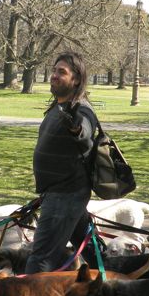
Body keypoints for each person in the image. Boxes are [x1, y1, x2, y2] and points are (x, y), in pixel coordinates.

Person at [24, 51, 99, 275]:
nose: (54, 76)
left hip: (65, 197)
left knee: (41, 258)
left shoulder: (81, 110)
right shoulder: (57, 107)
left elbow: (84, 132)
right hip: (57, 194)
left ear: (76, 79)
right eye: (54, 70)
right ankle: (115, 283)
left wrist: (77, 127)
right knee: (94, 255)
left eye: (62, 72)